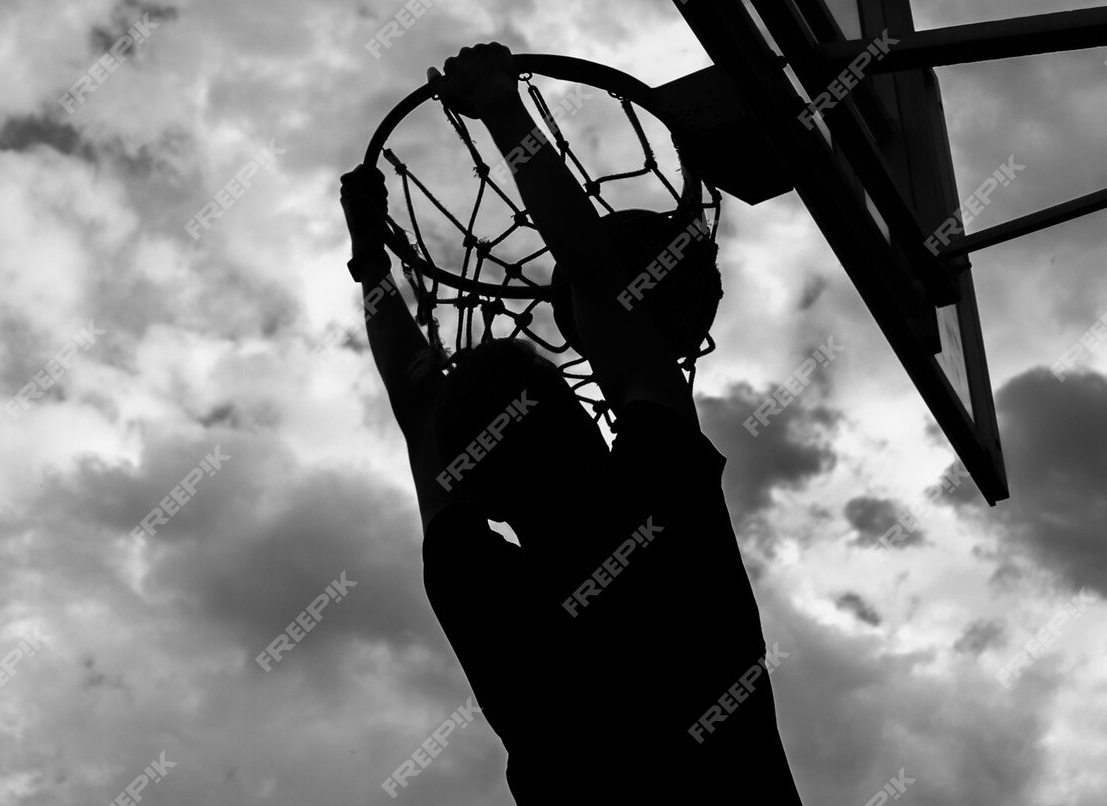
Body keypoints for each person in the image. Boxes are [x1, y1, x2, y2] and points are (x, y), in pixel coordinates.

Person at [340, 42, 804, 804]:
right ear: (585, 425)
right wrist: (500, 106)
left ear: (477, 488)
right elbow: (596, 281)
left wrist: (372, 262)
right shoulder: (664, 515)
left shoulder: (493, 613)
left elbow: (418, 410)